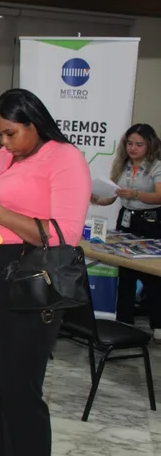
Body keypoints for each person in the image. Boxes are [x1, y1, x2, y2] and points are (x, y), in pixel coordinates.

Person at [0, 88, 90, 456]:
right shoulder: (5, 156)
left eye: (11, 133)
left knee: (19, 389)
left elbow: (66, 234)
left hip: (29, 283)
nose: (4, 142)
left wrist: (3, 216)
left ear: (35, 124)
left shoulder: (65, 158)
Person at [92, 123, 161, 341]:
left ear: (149, 144)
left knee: (151, 276)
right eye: (130, 143)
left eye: (139, 144)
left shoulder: (156, 166)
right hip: (126, 219)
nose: (133, 148)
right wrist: (96, 199)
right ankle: (124, 321)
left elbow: (159, 196)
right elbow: (113, 195)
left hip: (150, 221)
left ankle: (158, 324)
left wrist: (135, 194)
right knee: (126, 272)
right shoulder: (123, 165)